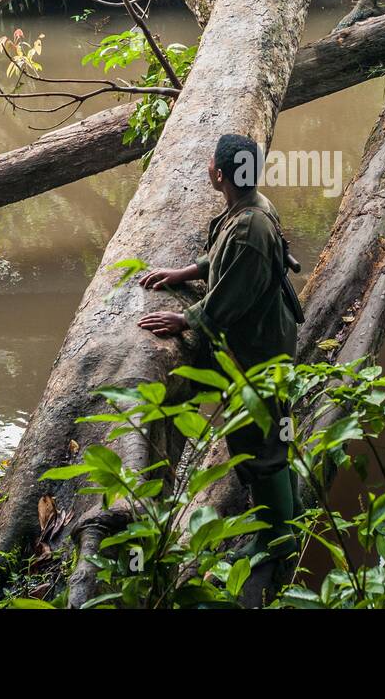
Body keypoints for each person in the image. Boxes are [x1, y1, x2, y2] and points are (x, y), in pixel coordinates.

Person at [136, 133, 303, 564]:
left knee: (261, 443)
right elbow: (223, 260)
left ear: (221, 174)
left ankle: (276, 544)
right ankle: (291, 517)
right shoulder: (251, 206)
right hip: (266, 337)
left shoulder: (251, 226)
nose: (208, 167)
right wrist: (185, 271)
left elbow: (229, 297)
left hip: (259, 353)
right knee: (271, 436)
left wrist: (185, 319)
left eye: (212, 162)